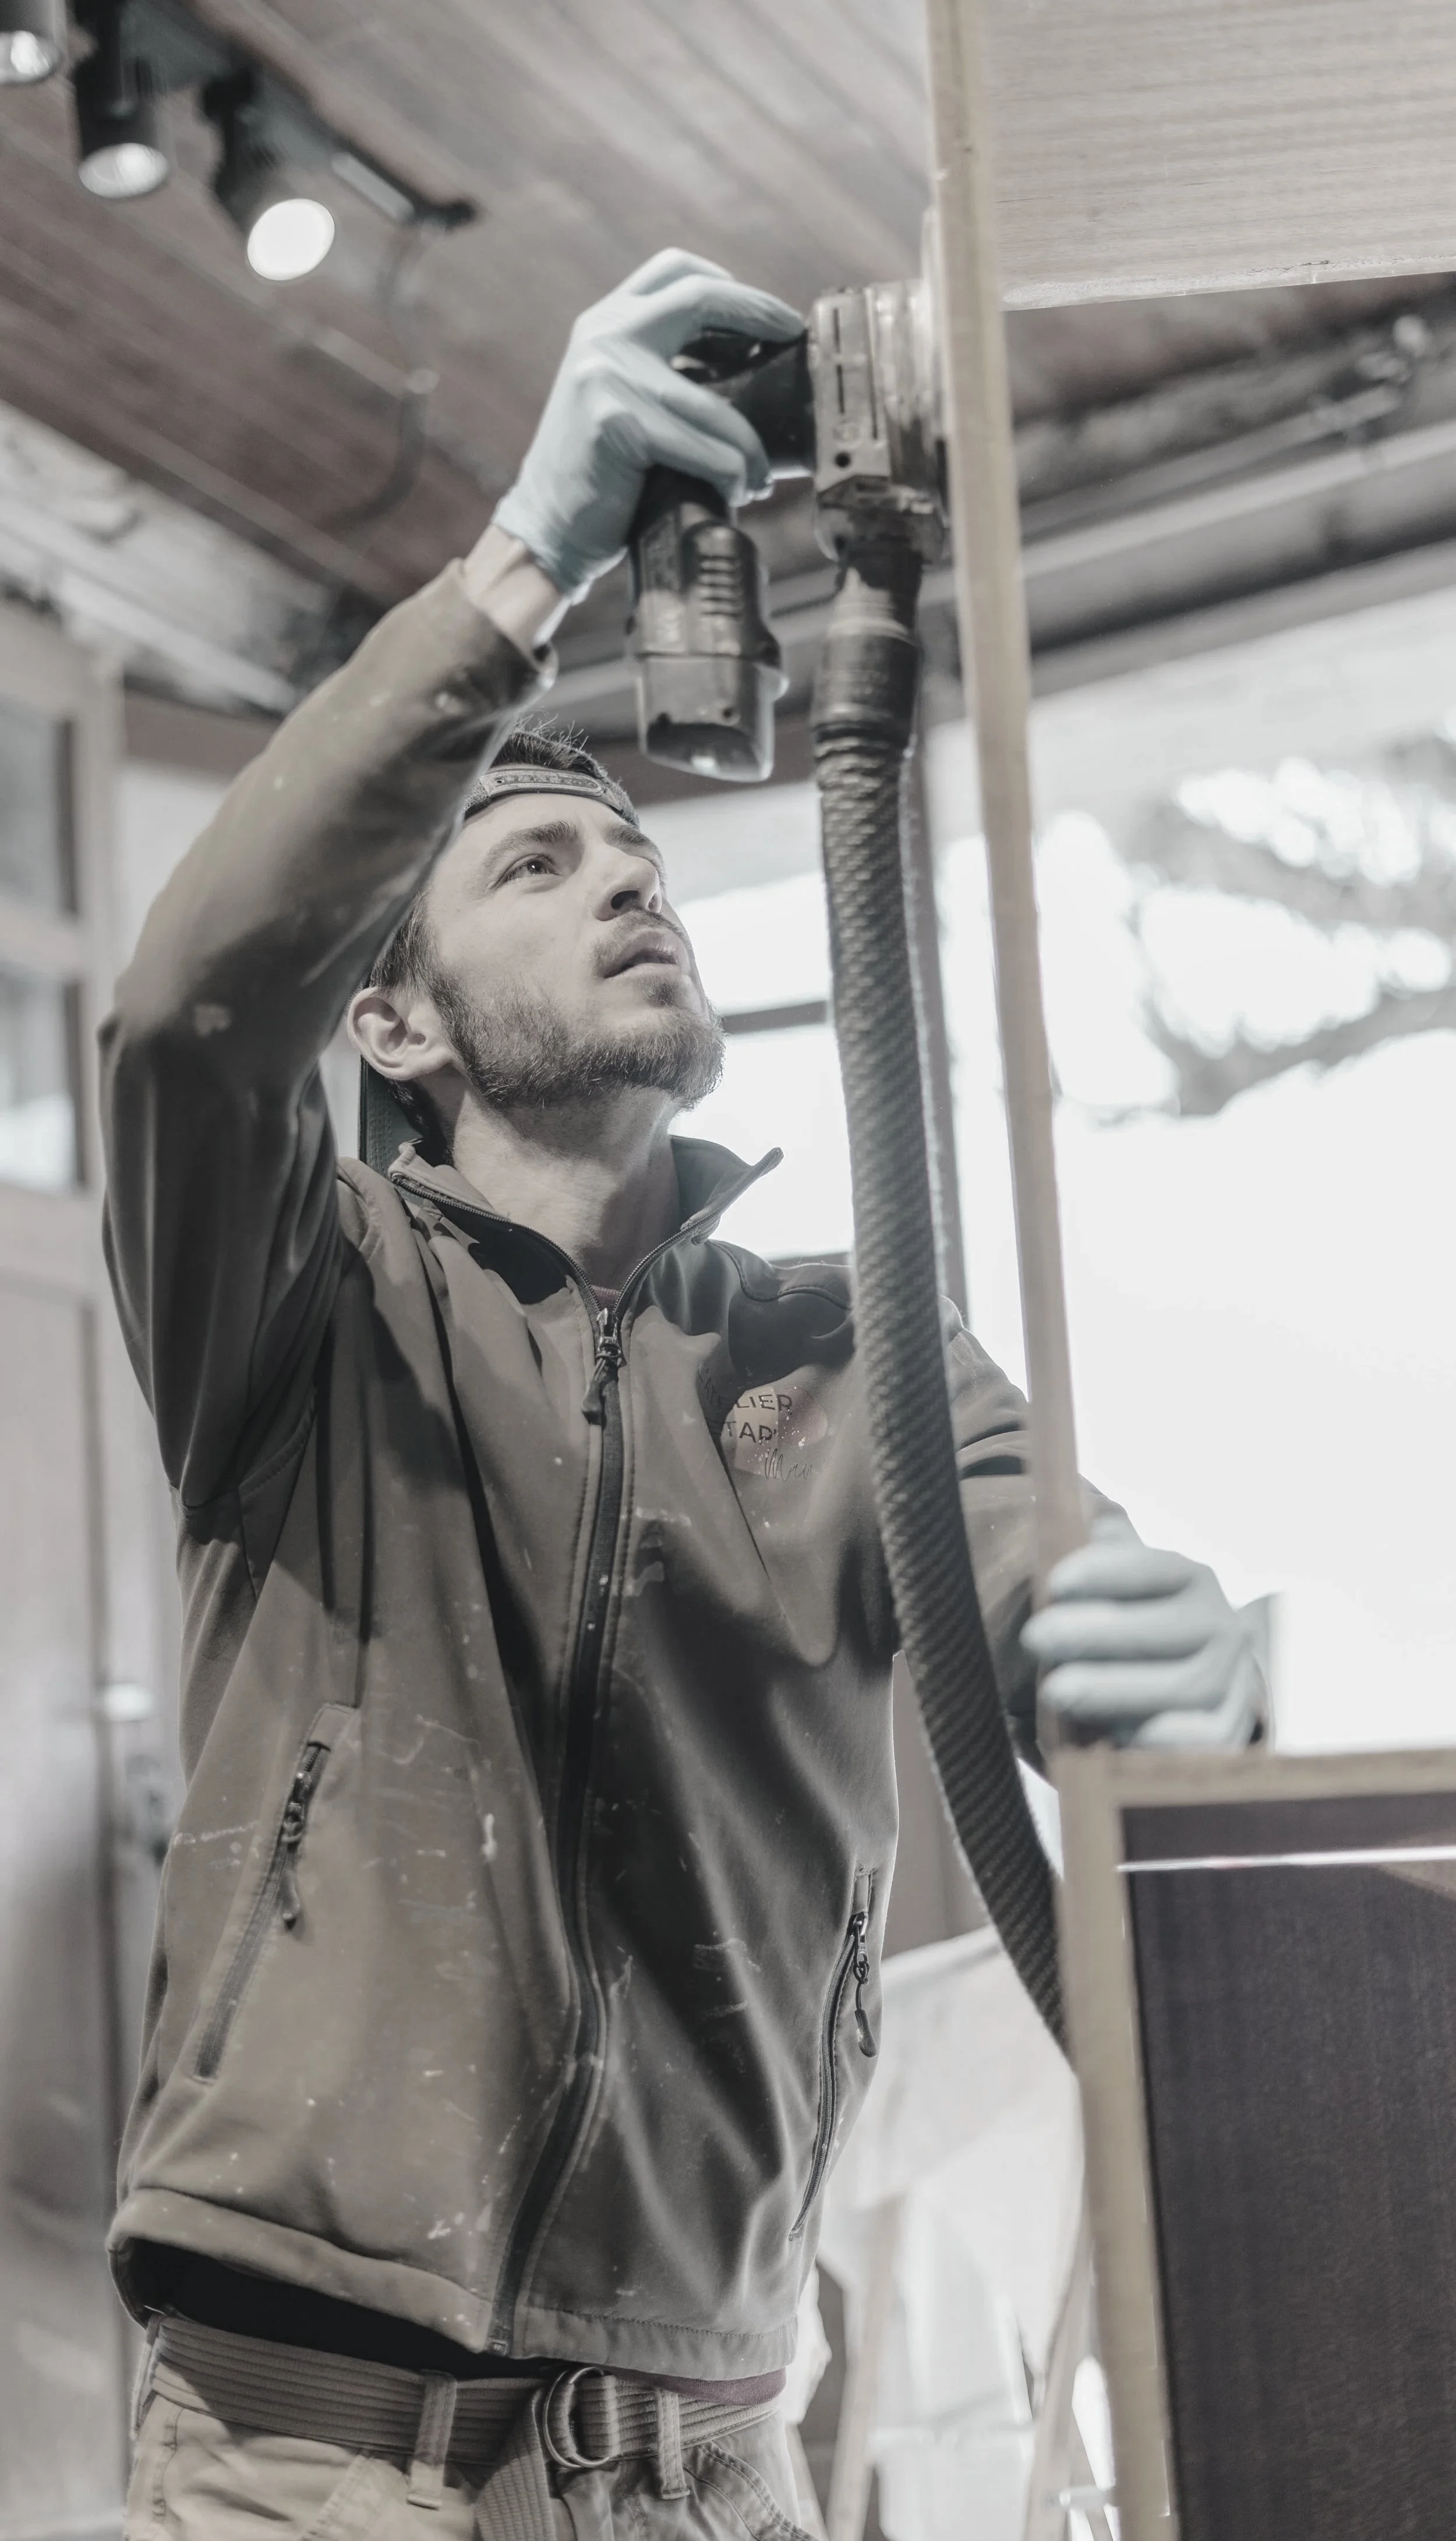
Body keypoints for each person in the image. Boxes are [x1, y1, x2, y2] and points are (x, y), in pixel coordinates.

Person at [102, 251, 1265, 2541]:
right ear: (396, 1030)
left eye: (637, 860)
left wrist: (1182, 1688)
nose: (626, 887)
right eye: (537, 868)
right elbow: (187, 1018)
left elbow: (1049, 1584)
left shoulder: (856, 1351)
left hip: (707, 2466)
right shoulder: (311, 1307)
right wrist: (523, 565)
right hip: (309, 2466)